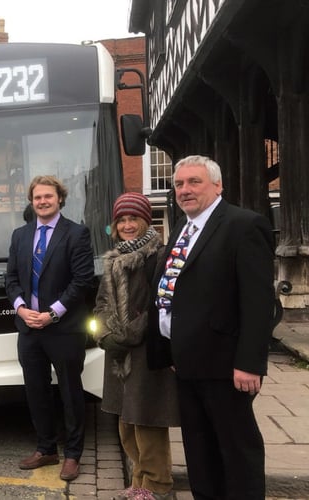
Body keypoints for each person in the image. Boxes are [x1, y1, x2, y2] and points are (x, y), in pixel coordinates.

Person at [149, 155, 274, 499]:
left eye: (194, 182)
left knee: (236, 450)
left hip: (225, 364)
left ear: (218, 185)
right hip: (186, 363)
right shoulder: (182, 227)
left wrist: (250, 362)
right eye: (179, 184)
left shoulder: (243, 225)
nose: (185, 190)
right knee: (199, 452)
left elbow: (259, 302)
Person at [5, 175, 95, 481]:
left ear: (60, 199)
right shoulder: (20, 235)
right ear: (31, 202)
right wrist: (21, 308)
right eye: (37, 197)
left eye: (48, 196)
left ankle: (73, 454)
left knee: (70, 392)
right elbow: (11, 279)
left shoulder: (77, 233)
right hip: (29, 328)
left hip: (64, 328)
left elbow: (82, 280)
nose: (42, 201)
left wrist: (52, 314)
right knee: (36, 392)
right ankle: (46, 449)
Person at [94, 192, 179, 500]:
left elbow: (160, 305)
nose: (127, 225)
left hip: (145, 352)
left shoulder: (159, 257)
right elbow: (101, 303)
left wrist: (129, 333)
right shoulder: (114, 258)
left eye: (133, 219)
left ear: (145, 221)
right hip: (118, 353)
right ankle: (139, 481)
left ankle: (157, 485)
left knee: (148, 420)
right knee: (126, 421)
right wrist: (104, 334)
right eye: (122, 220)